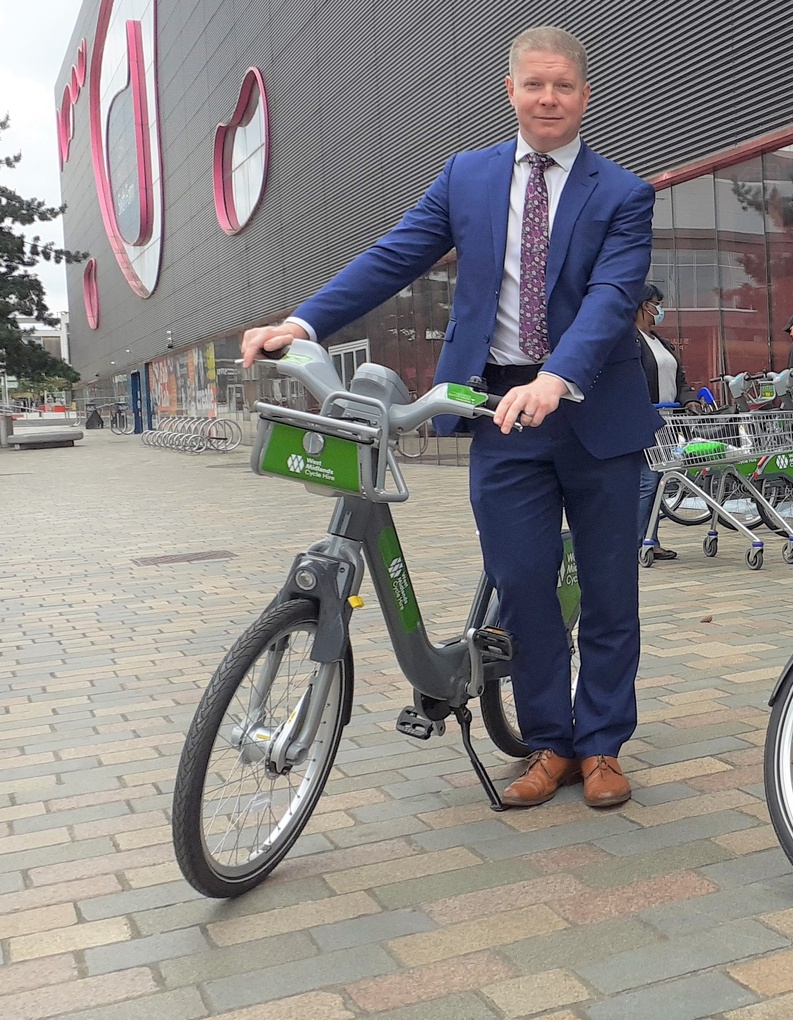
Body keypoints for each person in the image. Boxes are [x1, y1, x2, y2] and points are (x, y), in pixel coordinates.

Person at [239, 26, 657, 811]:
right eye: (535, 85)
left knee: (608, 590)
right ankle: (550, 743)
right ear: (511, 91)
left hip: (595, 414)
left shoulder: (623, 193)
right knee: (525, 584)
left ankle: (601, 745)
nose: (549, 99)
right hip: (495, 412)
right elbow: (393, 255)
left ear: (585, 94)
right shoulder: (466, 177)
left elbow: (612, 297)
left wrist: (560, 375)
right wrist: (302, 324)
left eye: (564, 86)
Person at [634, 283, 694, 559]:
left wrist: (688, 399)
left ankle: (650, 539)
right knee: (648, 481)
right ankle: (641, 541)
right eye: (658, 302)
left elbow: (679, 380)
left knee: (658, 482)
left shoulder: (662, 343)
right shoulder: (630, 341)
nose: (661, 308)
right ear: (646, 305)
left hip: (668, 421)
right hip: (645, 420)